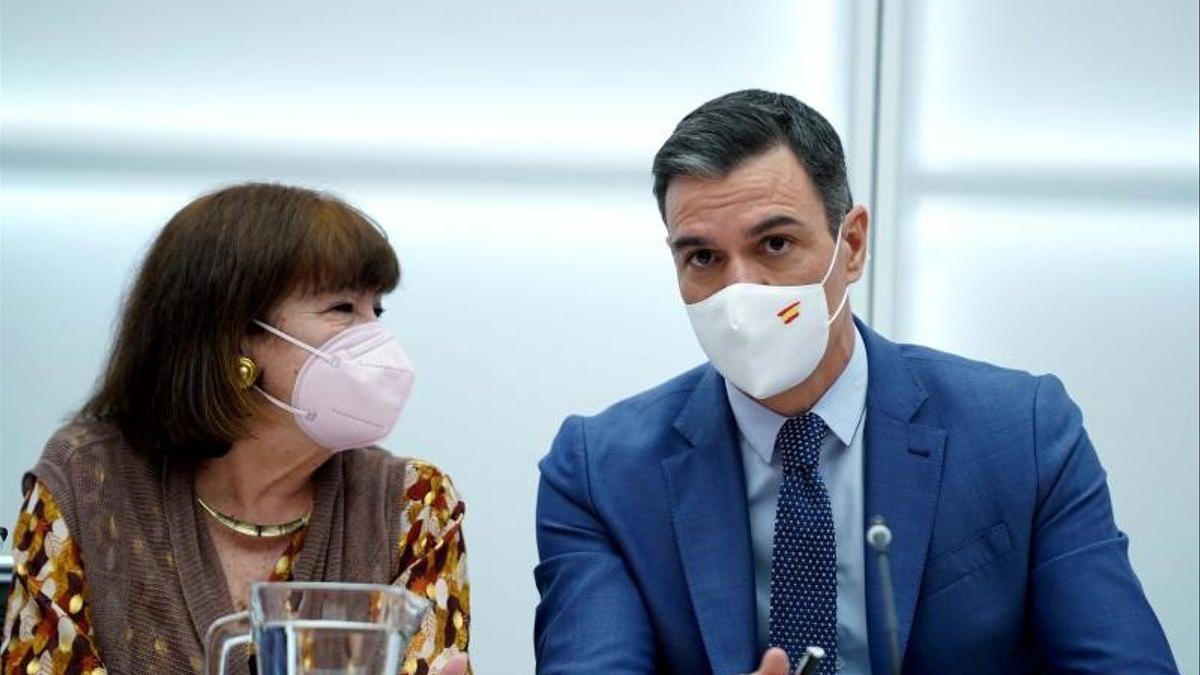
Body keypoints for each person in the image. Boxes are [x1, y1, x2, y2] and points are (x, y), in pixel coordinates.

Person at [533, 90, 1178, 674]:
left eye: (775, 244)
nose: (740, 292)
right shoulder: (601, 474)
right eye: (702, 257)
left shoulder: (1025, 435)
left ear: (853, 244)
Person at [1, 184, 470, 675]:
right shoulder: (88, 483)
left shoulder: (412, 505)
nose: (377, 338)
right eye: (342, 309)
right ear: (233, 336)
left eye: (378, 310)